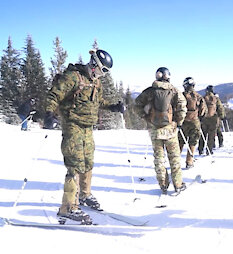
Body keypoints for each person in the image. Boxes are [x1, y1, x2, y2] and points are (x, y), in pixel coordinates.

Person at [44, 49, 124, 224]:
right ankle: (67, 207)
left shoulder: (95, 82)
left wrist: (113, 107)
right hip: (72, 125)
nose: (103, 75)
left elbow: (98, 101)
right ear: (94, 64)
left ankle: (85, 195)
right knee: (75, 164)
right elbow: (54, 94)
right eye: (103, 70)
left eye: (106, 72)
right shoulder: (73, 77)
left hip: (88, 127)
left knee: (88, 162)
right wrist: (49, 113)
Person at [134, 67, 187, 195]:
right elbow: (182, 108)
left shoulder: (149, 91)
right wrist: (178, 123)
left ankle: (163, 184)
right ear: (168, 76)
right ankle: (178, 185)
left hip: (154, 131)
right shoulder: (174, 91)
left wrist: (146, 117)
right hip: (170, 130)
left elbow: (137, 106)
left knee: (159, 159)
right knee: (174, 158)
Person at [178, 77, 206, 169]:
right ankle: (189, 161)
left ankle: (176, 161)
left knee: (180, 141)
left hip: (182, 122)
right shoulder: (198, 96)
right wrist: (199, 118)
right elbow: (203, 110)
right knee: (192, 142)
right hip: (195, 121)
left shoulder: (180, 96)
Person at [199, 85, 225, 155]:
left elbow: (199, 107)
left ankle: (200, 149)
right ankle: (209, 150)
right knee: (211, 136)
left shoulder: (203, 98)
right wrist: (221, 116)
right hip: (213, 119)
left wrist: (199, 117)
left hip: (204, 119)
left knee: (203, 135)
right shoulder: (215, 98)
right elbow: (220, 108)